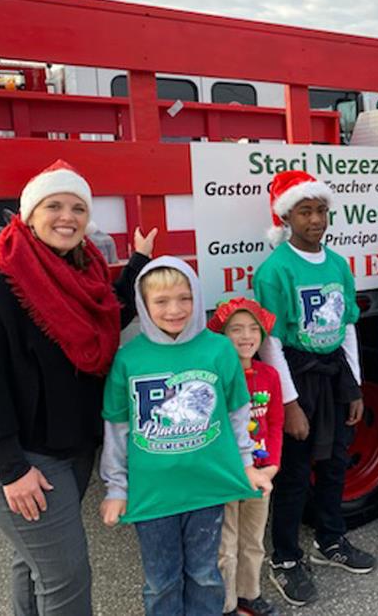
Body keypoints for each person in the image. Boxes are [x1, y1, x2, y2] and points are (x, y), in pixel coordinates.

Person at [0, 159, 155, 616]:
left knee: (32, 563)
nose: (67, 217)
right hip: (20, 456)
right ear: (30, 214)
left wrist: (137, 264)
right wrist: (12, 469)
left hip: (69, 447)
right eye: (54, 206)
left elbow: (102, 323)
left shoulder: (83, 274)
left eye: (78, 208)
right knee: (66, 579)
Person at [99, 256, 272, 615]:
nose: (175, 310)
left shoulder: (219, 349)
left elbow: (239, 414)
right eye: (161, 301)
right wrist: (117, 488)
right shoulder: (129, 358)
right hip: (154, 495)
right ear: (143, 304)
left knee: (206, 575)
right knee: (161, 582)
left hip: (205, 489)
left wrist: (245, 465)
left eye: (185, 297)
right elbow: (117, 429)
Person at [253, 170, 375, 607]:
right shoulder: (274, 271)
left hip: (335, 374)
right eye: (305, 211)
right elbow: (271, 341)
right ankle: (285, 558)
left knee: (336, 463)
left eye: (321, 210)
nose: (316, 219)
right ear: (287, 217)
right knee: (293, 476)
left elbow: (346, 328)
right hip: (298, 377)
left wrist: (355, 385)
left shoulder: (338, 264)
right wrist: (289, 404)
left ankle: (330, 541)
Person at [208, 297, 284, 616]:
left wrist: (273, 466)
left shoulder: (269, 375)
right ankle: (225, 604)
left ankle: (249, 594)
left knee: (253, 540)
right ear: (222, 335)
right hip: (227, 475)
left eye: (253, 328)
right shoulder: (215, 379)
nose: (246, 336)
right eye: (236, 329)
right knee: (225, 546)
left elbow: (276, 422)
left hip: (261, 475)